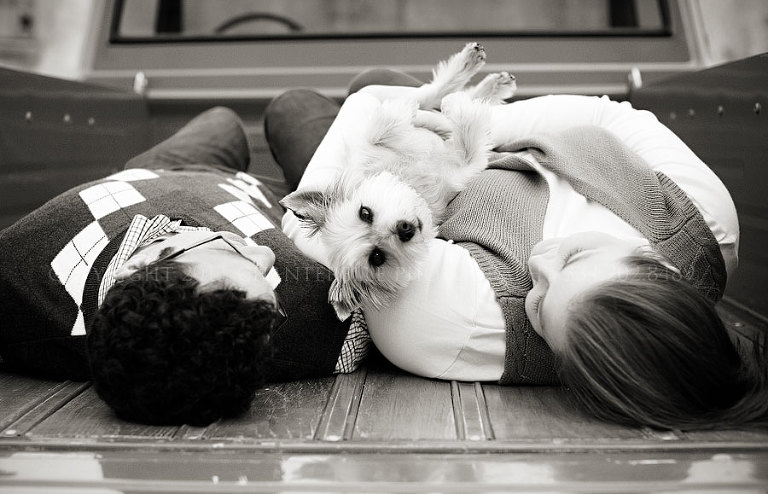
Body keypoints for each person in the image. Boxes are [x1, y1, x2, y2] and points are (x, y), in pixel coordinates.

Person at [264, 68, 768, 430]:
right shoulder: (698, 213)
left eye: (540, 306)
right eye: (574, 257)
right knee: (372, 79)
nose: (539, 261)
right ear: (658, 261)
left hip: (377, 188)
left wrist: (373, 107)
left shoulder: (460, 318)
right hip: (465, 144)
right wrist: (457, 124)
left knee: (300, 105)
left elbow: (314, 231)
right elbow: (605, 115)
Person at [0, 107, 370, 426]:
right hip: (283, 192)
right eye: (269, 289)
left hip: (157, 171)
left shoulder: (17, 276)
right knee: (294, 107)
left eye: (230, 253)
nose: (266, 256)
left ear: (141, 264)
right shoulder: (312, 317)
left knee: (221, 120)